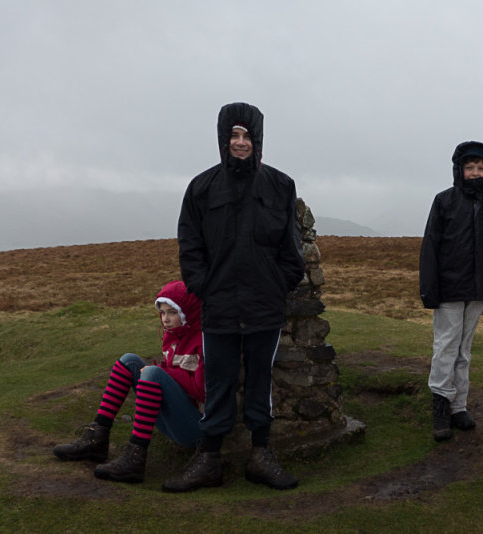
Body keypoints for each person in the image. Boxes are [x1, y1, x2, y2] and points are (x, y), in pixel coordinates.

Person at [168, 102, 305, 492]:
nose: (240, 142)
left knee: (260, 381)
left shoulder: (280, 185)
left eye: (247, 135)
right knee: (220, 382)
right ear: (222, 138)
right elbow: (190, 243)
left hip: (265, 306)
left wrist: (279, 283)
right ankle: (209, 460)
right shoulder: (201, 187)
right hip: (220, 306)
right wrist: (203, 286)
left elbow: (291, 249)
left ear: (258, 139)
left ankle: (261, 457)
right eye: (234, 135)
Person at [53, 280, 204, 483]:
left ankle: (135, 457)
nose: (166, 319)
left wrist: (162, 373)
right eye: (162, 312)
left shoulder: (203, 341)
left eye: (172, 312)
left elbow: (201, 390)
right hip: (174, 418)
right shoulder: (172, 337)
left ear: (187, 312)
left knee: (152, 373)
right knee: (128, 360)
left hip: (195, 426)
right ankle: (97, 437)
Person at [420, 141, 483, 441]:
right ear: (459, 169)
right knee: (446, 347)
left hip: (479, 290)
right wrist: (429, 291)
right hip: (449, 289)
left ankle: (458, 406)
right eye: (470, 167)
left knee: (464, 349)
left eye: (481, 168)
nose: (475, 172)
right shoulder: (444, 201)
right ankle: (440, 405)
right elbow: (430, 247)